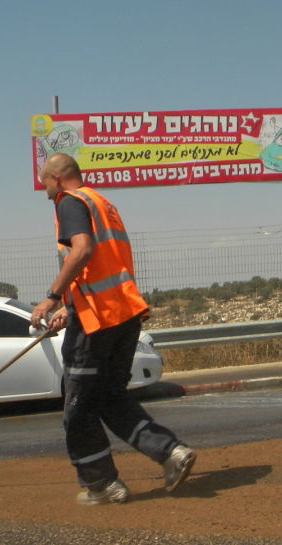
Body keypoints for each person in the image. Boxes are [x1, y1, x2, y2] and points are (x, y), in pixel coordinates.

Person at [31, 153, 195, 505]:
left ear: (58, 179)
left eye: (44, 181)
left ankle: (102, 484)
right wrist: (69, 306)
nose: (42, 188)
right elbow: (101, 267)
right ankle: (171, 453)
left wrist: (50, 298)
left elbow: (83, 251)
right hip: (124, 315)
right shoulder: (102, 202)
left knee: (78, 408)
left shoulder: (69, 202)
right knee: (110, 397)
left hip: (97, 324)